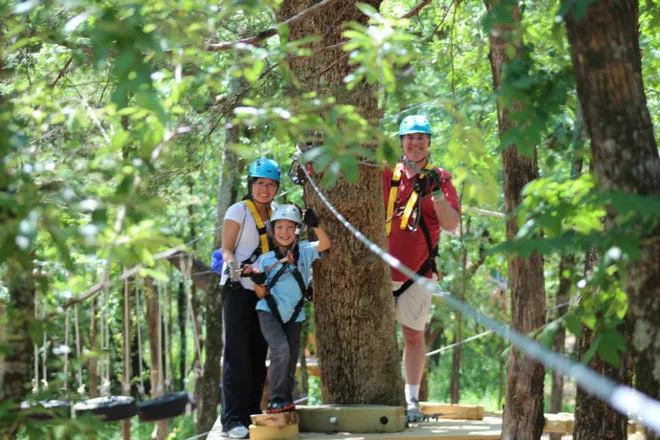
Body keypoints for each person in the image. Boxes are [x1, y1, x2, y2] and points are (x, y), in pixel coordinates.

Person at [383, 115, 460, 422]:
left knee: (413, 336)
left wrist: (436, 193)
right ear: (401, 142)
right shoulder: (388, 173)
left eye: (421, 137)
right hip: (379, 273)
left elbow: (452, 224)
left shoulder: (441, 178)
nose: (415, 143)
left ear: (429, 142)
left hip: (418, 273)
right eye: (409, 137)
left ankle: (411, 399)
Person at [218, 157, 281, 439]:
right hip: (238, 289)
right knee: (237, 355)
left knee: (258, 356)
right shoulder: (239, 210)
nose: (265, 189)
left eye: (270, 184)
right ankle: (232, 419)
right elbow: (227, 250)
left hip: (265, 292)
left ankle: (252, 413)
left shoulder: (278, 212)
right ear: (251, 185)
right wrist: (240, 269)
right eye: (260, 183)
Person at [247, 204, 330, 414]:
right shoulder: (266, 260)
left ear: (297, 230)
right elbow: (260, 294)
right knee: (280, 350)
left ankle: (285, 400)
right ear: (272, 231)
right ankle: (275, 399)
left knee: (291, 357)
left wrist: (315, 225)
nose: (284, 232)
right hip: (269, 312)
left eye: (290, 227)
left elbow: (325, 244)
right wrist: (258, 280)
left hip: (295, 313)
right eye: (280, 227)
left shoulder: (305, 251)